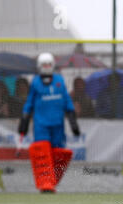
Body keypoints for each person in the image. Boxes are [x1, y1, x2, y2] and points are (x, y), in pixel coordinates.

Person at [18, 52, 80, 193]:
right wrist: (25, 120)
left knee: (58, 154)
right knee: (42, 153)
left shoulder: (59, 80)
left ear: (52, 65)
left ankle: (51, 181)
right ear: (40, 66)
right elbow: (29, 103)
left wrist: (73, 121)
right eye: (44, 64)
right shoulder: (35, 82)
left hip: (58, 125)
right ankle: (45, 183)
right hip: (41, 125)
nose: (46, 67)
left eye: (48, 64)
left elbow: (66, 100)